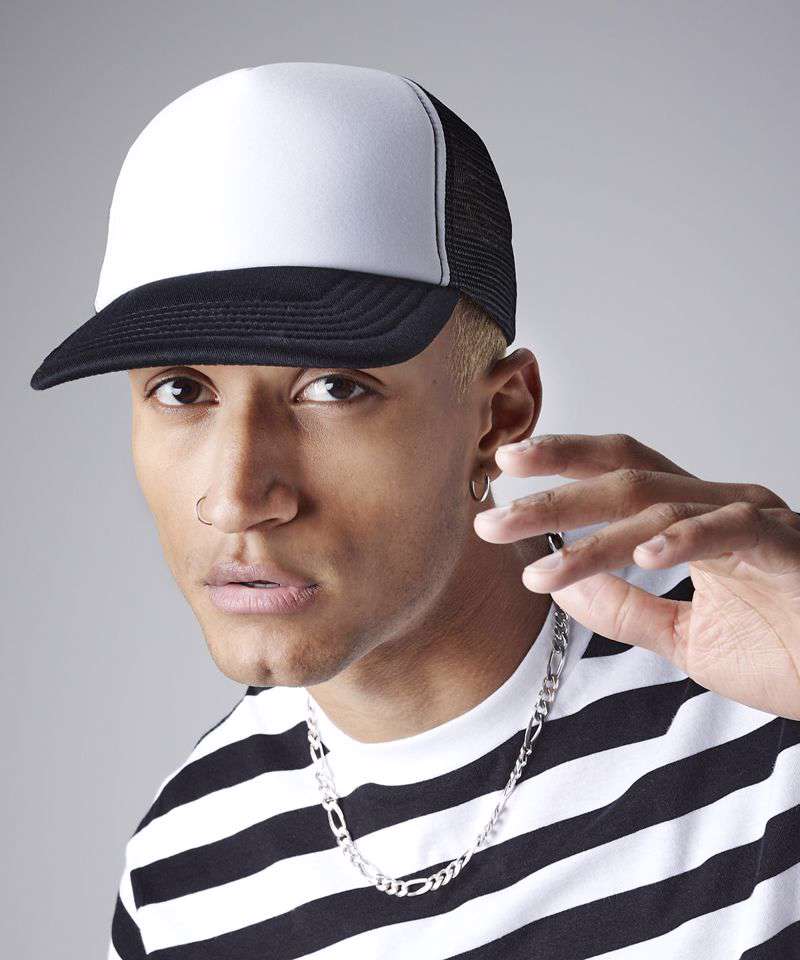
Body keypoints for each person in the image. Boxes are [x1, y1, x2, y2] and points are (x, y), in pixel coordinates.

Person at [30, 62, 800, 959]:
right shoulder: (179, 882)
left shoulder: (762, 679)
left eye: (333, 387)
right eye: (180, 389)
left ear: (499, 417)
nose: (236, 496)